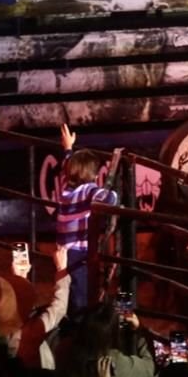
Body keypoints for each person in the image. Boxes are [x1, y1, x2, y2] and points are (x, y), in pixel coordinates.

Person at [57, 123, 118, 317]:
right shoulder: (90, 191)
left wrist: (68, 148)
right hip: (78, 253)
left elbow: (66, 166)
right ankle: (78, 323)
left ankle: (69, 320)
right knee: (80, 296)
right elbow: (109, 198)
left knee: (68, 289)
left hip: (63, 251)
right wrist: (113, 189)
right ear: (94, 175)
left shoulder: (65, 187)